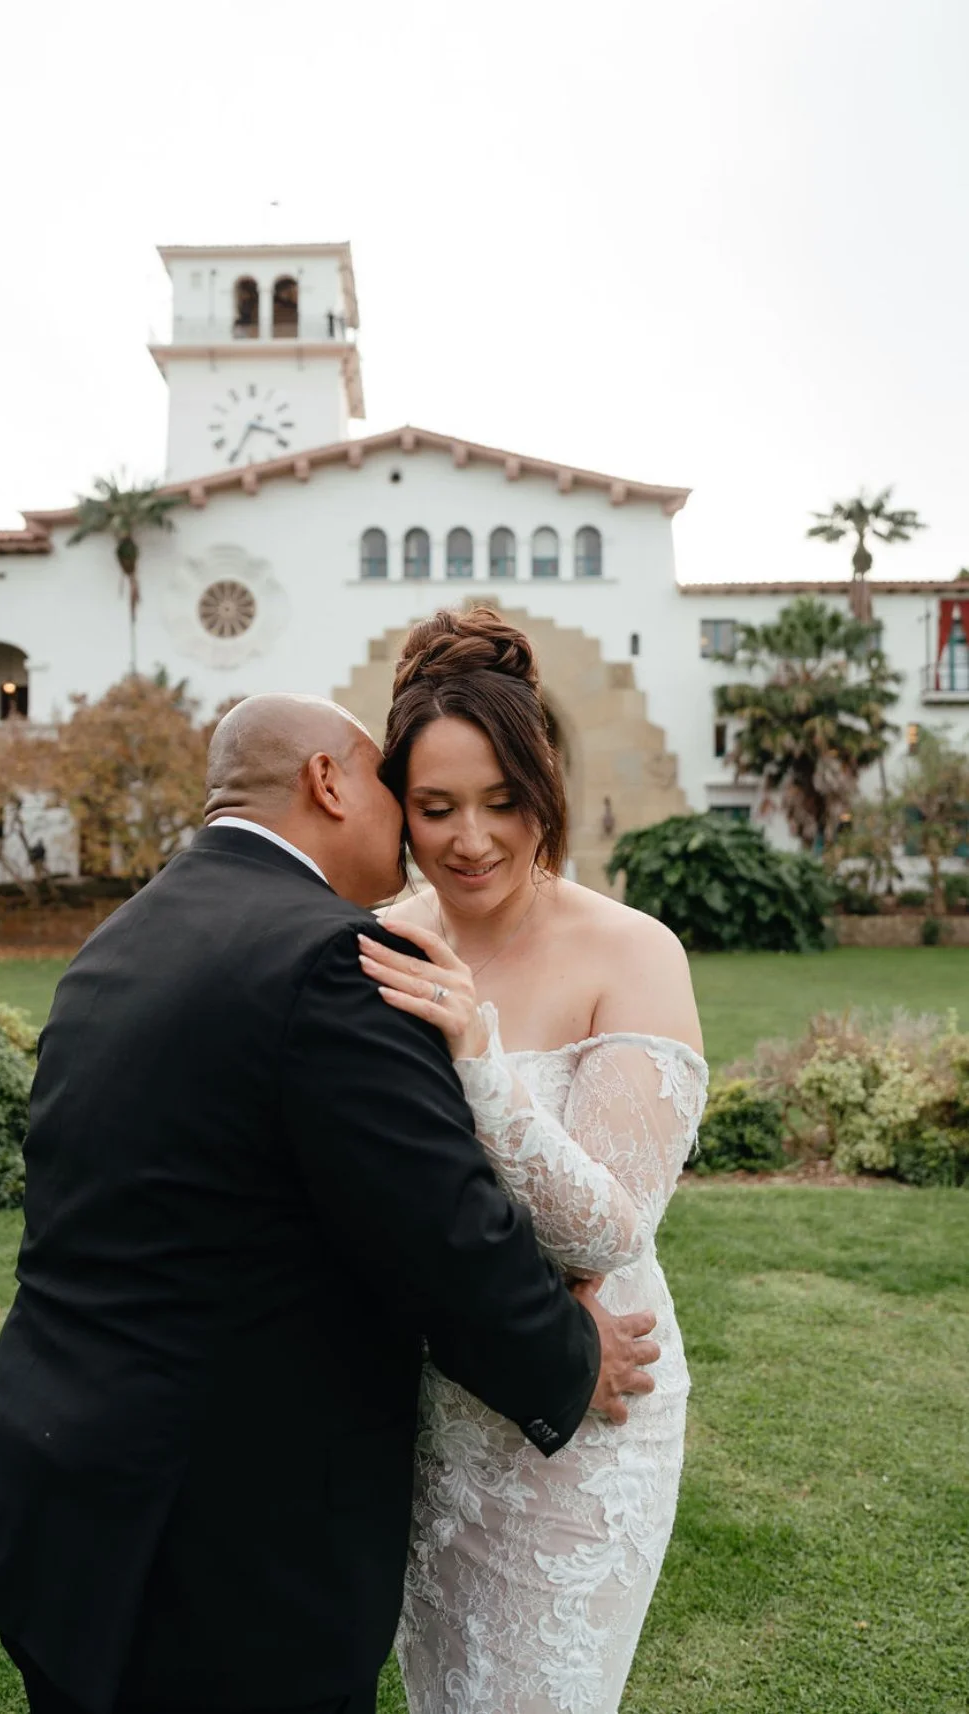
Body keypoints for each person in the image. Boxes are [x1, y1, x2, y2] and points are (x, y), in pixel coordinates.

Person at [0, 693, 661, 1714]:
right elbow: (439, 1227)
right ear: (330, 782)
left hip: (60, 1502)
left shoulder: (120, 940)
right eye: (394, 788)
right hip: (220, 1549)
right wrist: (571, 1353)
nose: (421, 837)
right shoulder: (332, 957)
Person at [361, 607, 707, 1714]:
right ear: (397, 810)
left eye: (504, 802)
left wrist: (479, 1055)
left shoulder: (631, 951)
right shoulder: (378, 937)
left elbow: (608, 1230)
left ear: (545, 788)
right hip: (424, 1411)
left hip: (595, 1415)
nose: (472, 838)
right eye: (437, 807)